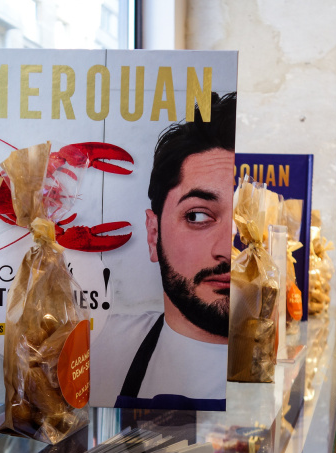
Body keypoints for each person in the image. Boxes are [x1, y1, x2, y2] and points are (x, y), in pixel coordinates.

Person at [91, 92, 235, 411]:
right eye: (197, 216)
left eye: (247, 220)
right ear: (153, 233)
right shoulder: (97, 352)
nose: (228, 249)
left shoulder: (295, 366)